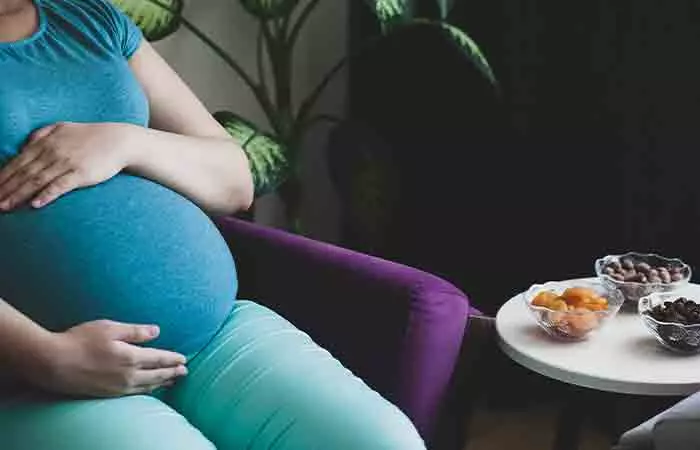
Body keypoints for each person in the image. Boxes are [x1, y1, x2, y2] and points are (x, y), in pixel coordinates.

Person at [0, 0, 426, 448]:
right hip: (46, 378)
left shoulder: (87, 17)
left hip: (215, 334)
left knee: (385, 442)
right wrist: (47, 358)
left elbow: (233, 180)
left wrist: (123, 141)